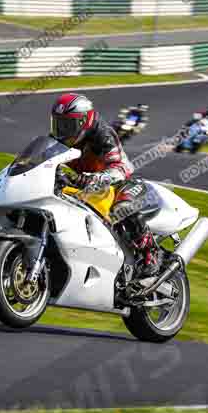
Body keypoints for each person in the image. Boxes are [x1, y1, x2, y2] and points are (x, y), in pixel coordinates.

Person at [50, 93, 161, 277]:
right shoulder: (59, 140)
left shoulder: (103, 135)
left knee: (122, 208)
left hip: (120, 184)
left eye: (67, 125)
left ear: (83, 122)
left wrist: (95, 178)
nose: (62, 131)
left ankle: (150, 252)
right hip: (86, 188)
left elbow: (120, 168)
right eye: (58, 124)